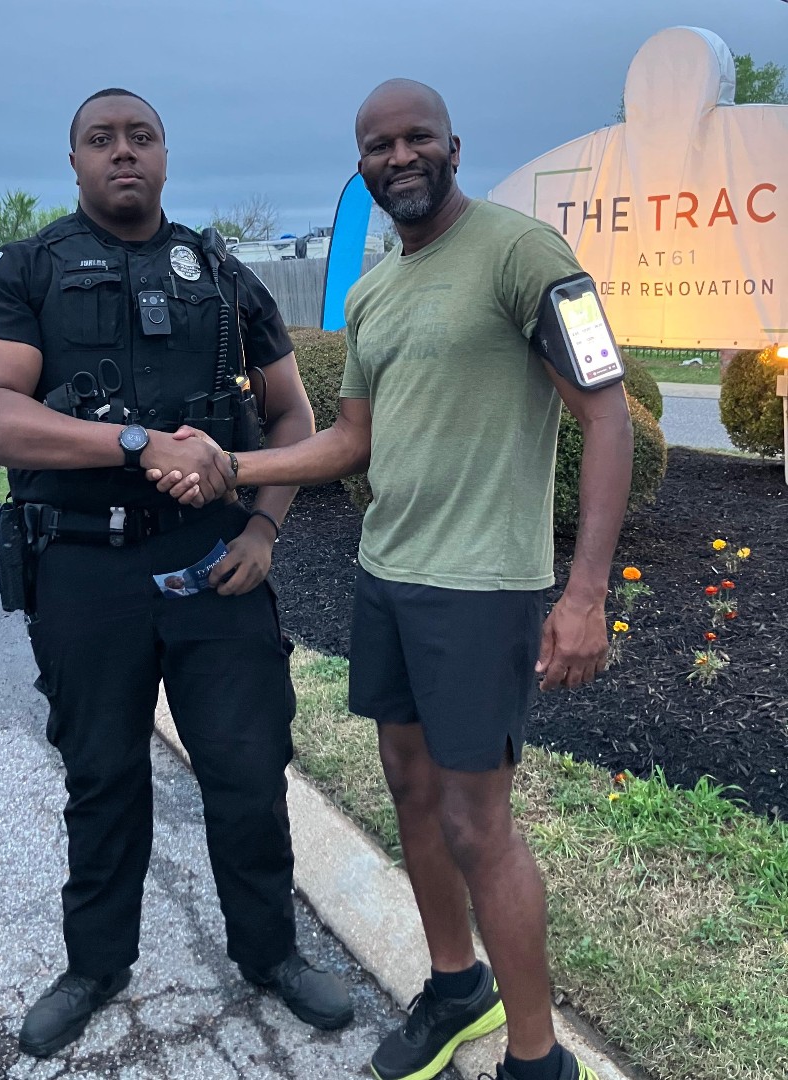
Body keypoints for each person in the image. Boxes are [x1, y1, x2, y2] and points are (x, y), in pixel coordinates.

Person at [149, 79, 633, 1080]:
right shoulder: (373, 293)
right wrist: (232, 466)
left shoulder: (520, 252)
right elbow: (348, 443)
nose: (399, 156)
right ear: (361, 163)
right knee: (411, 789)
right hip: (389, 577)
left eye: (417, 137)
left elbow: (608, 414)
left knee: (476, 822)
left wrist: (585, 593)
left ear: (453, 143)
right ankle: (456, 987)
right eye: (378, 145)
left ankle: (539, 1060)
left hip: (482, 587)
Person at [0, 87, 352, 1059]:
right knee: (103, 778)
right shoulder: (28, 271)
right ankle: (96, 966)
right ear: (76, 160)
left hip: (216, 564)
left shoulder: (220, 273)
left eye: (141, 137)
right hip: (85, 574)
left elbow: (293, 419)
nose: (122, 152)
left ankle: (269, 955)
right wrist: (135, 442)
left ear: (165, 155)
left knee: (250, 774)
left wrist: (261, 531)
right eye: (102, 139)